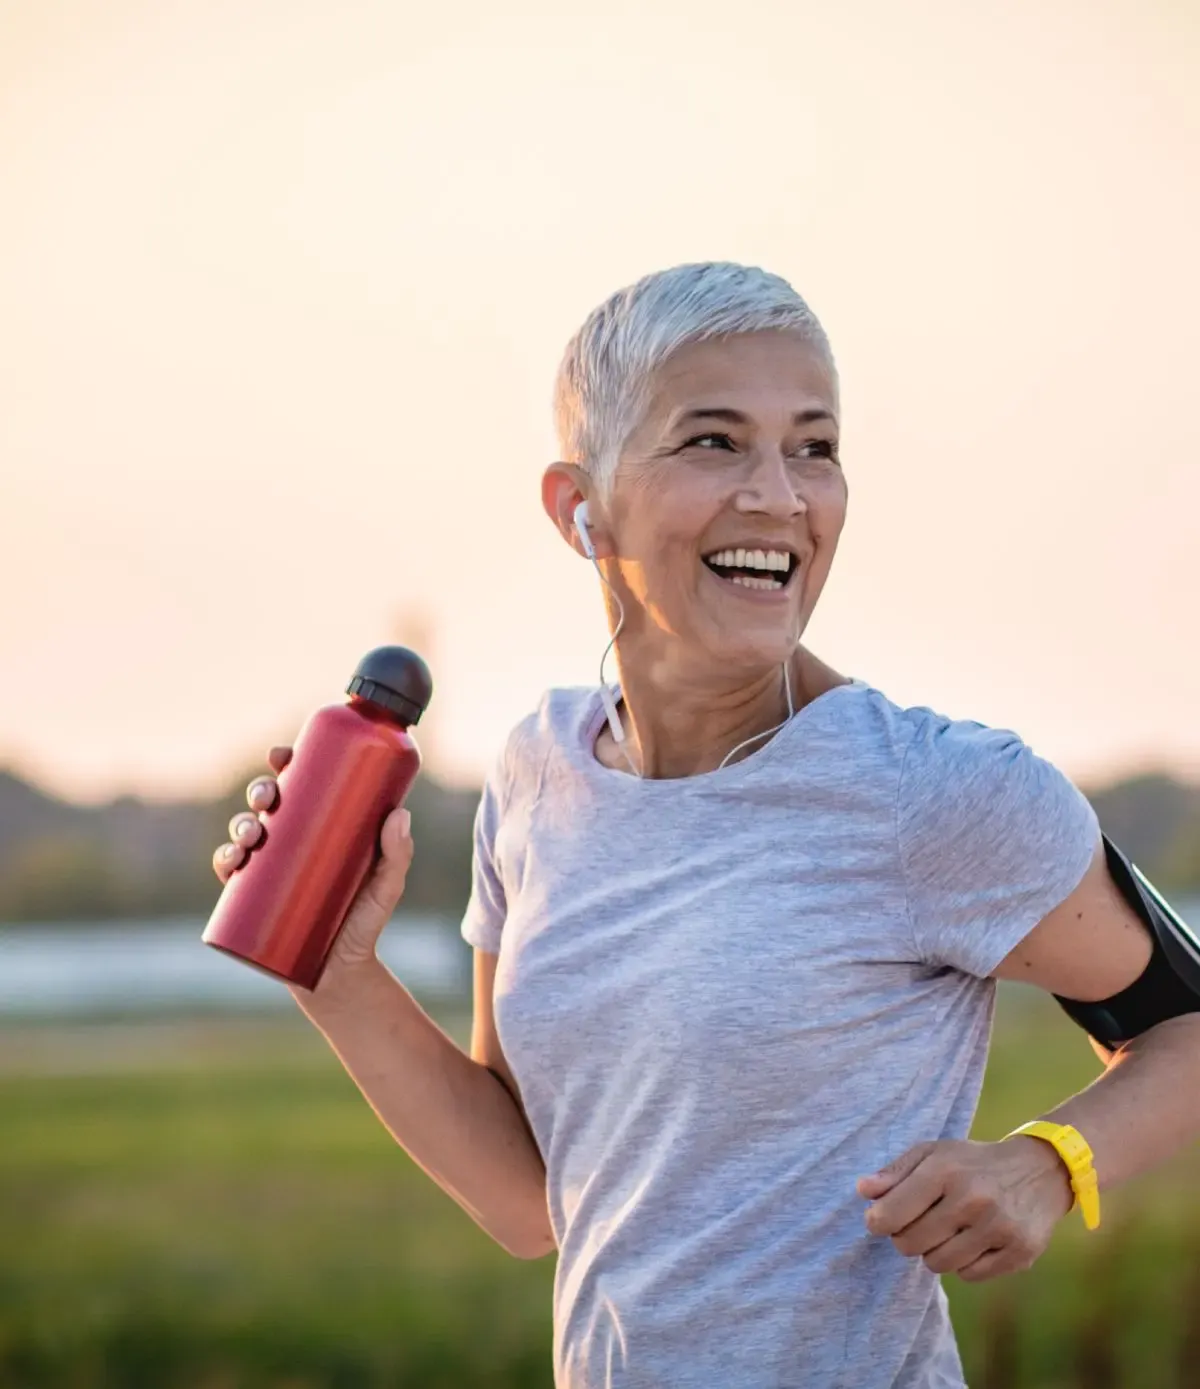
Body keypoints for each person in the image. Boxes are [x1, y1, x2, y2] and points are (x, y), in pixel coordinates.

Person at [213, 262, 1200, 1389]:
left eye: (814, 447)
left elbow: (1186, 1028)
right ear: (578, 505)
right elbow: (528, 1194)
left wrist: (1046, 1162)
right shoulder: (539, 774)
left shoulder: (939, 791)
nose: (780, 496)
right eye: (714, 442)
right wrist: (336, 974)